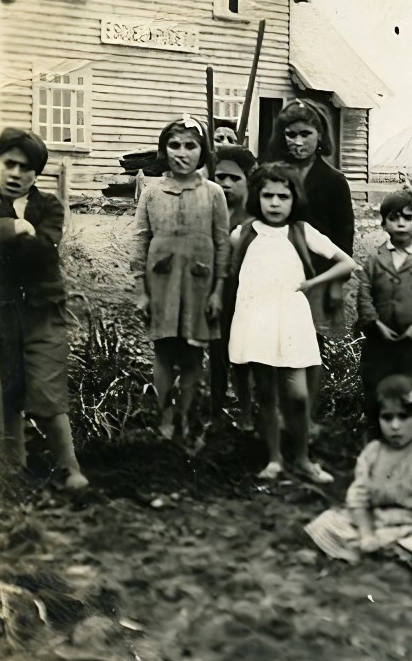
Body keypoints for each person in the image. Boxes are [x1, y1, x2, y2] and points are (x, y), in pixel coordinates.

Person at [225, 162, 356, 483]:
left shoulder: (302, 231)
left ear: (294, 198)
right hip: (256, 320)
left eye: (283, 196)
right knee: (267, 395)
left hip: (291, 320)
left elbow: (346, 263)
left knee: (297, 396)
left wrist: (314, 284)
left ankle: (303, 458)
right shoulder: (243, 233)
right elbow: (231, 270)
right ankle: (274, 458)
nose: (274, 203)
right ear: (257, 197)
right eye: (267, 195)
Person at [305, 375, 412, 614]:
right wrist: (367, 533)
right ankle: (369, 558)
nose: (395, 426)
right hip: (382, 518)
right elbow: (359, 499)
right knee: (328, 523)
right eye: (387, 417)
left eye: (404, 417)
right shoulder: (373, 452)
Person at [0, 129, 88, 489]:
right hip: (2, 312)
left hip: (42, 309)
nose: (15, 173)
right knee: (7, 387)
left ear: (37, 174)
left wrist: (17, 233)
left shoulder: (48, 206)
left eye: (25, 168)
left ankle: (70, 470)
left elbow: (44, 250)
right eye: (9, 164)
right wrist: (18, 227)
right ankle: (12, 472)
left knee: (48, 389)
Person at [133, 116, 230, 445]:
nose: (182, 153)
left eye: (191, 146)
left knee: (192, 355)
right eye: (174, 145)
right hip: (161, 282)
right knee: (163, 351)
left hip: (200, 284)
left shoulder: (214, 193)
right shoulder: (150, 192)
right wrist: (141, 292)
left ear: (202, 152)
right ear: (163, 150)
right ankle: (165, 417)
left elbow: (222, 244)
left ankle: (188, 419)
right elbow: (140, 242)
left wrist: (218, 291)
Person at [265, 101, 355, 430]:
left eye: (306, 134)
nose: (298, 142)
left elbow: (344, 238)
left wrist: (334, 284)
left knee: (310, 345)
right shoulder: (274, 175)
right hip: (276, 274)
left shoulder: (334, 181)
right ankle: (276, 411)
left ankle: (306, 415)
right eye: (291, 135)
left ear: (320, 136)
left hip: (315, 278)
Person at [356, 191, 412, 430]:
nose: (401, 223)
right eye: (394, 218)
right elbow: (364, 293)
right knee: (375, 380)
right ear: (383, 223)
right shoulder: (374, 258)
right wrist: (375, 323)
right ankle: (375, 425)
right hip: (379, 338)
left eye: (408, 217)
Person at [208, 145, 258, 423]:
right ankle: (216, 411)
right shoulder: (212, 213)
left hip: (248, 294)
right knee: (216, 350)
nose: (225, 184)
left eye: (234, 178)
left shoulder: (257, 217)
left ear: (249, 179)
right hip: (217, 291)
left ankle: (248, 412)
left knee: (245, 354)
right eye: (220, 177)